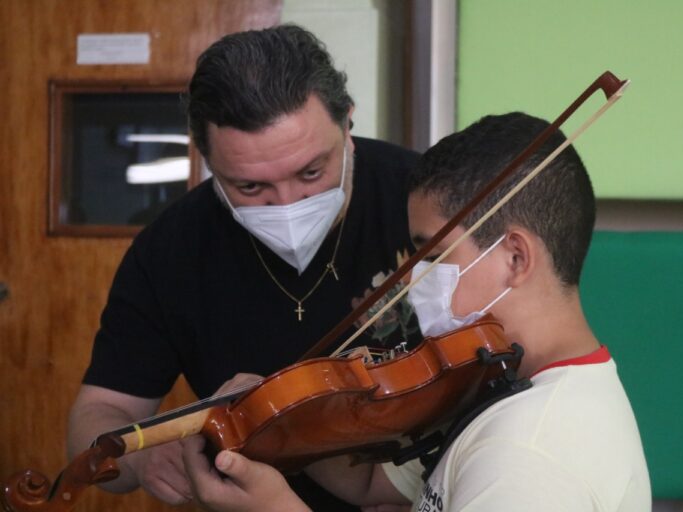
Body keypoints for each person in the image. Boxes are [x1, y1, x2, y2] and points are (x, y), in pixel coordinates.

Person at [181, 111, 652, 511]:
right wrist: (277, 421)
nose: (412, 277)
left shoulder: (527, 452)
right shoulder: (499, 387)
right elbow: (372, 483)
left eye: (433, 254)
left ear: (515, 258)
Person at [67, 25, 420, 511]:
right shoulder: (169, 250)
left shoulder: (427, 202)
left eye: (311, 172)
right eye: (250, 188)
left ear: (348, 126)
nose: (287, 203)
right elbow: (98, 415)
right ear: (206, 160)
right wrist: (141, 460)